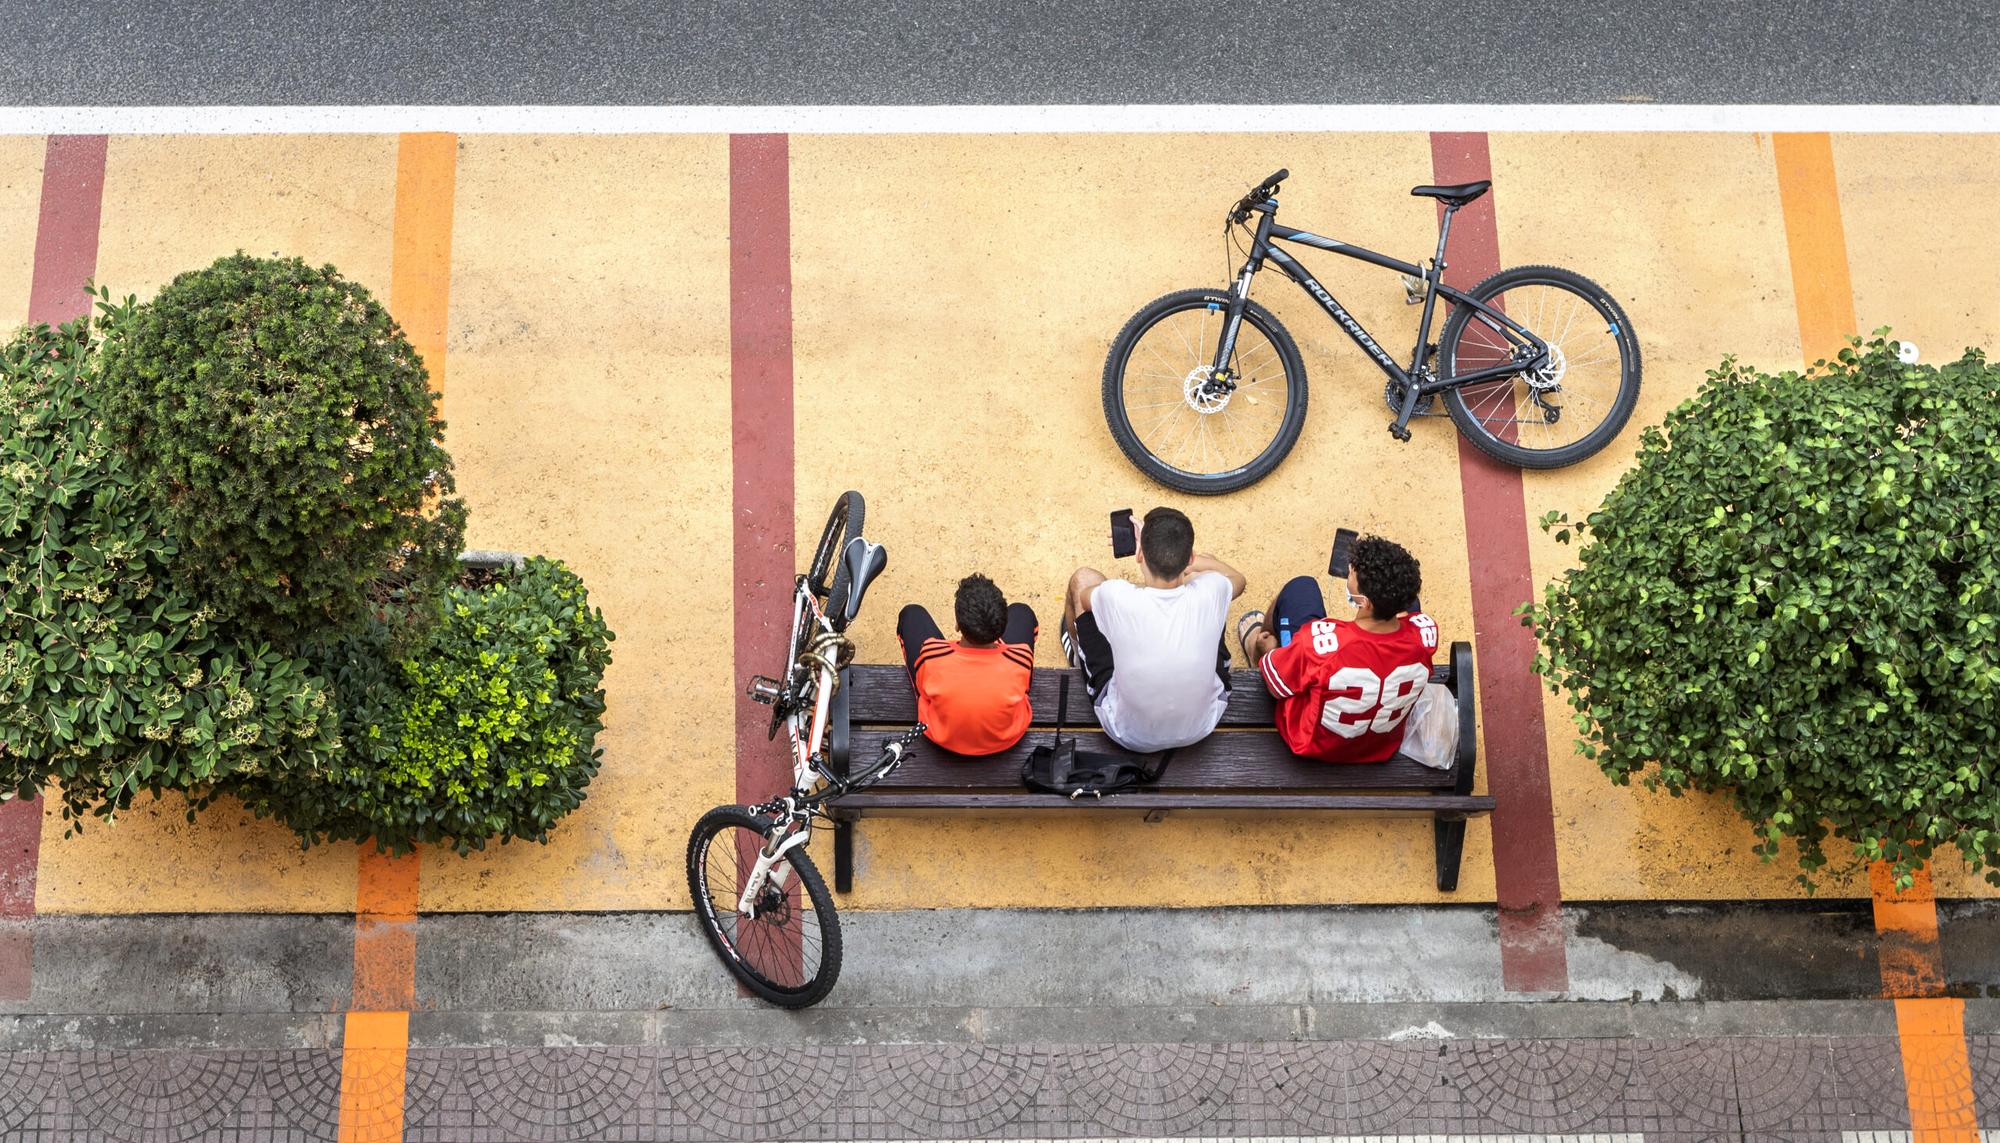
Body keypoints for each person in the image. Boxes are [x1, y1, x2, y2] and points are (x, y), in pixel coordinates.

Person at [1237, 535, 1438, 763]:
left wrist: (1270, 650)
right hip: (1379, 746)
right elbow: (1409, 619)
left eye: (1353, 573)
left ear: (1366, 602)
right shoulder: (1426, 634)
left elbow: (1276, 687)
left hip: (1311, 742)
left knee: (1301, 587)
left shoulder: (1317, 643)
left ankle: (1256, 647)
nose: (1349, 570)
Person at [1061, 507, 1246, 753]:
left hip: (1128, 732)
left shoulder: (1115, 596)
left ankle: (1078, 654)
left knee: (1082, 578)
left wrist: (1143, 561)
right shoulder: (1211, 590)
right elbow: (1238, 579)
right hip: (1201, 726)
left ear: (1140, 556)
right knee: (1207, 577)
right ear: (1189, 558)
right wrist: (1194, 562)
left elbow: (1085, 598)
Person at [896, 574, 1037, 756]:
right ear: (1002, 625)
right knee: (1022, 611)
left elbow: (924, 689)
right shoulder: (1021, 657)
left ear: (957, 625)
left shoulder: (932, 652)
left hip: (942, 737)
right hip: (1005, 739)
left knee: (912, 613)